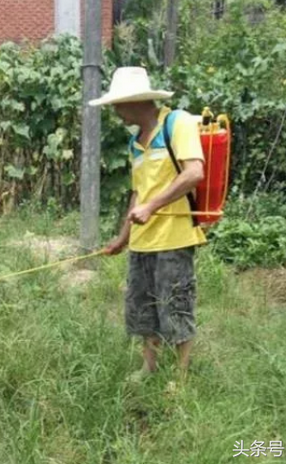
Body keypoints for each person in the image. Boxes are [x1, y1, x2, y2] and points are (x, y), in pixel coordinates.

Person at [90, 67, 207, 380]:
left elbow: (194, 173)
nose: (115, 112)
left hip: (174, 237)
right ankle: (149, 366)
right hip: (142, 242)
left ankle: (180, 378)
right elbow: (138, 194)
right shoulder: (135, 143)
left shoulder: (177, 123)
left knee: (176, 304)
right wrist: (122, 238)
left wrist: (152, 207)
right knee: (142, 307)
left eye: (117, 105)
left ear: (134, 101)